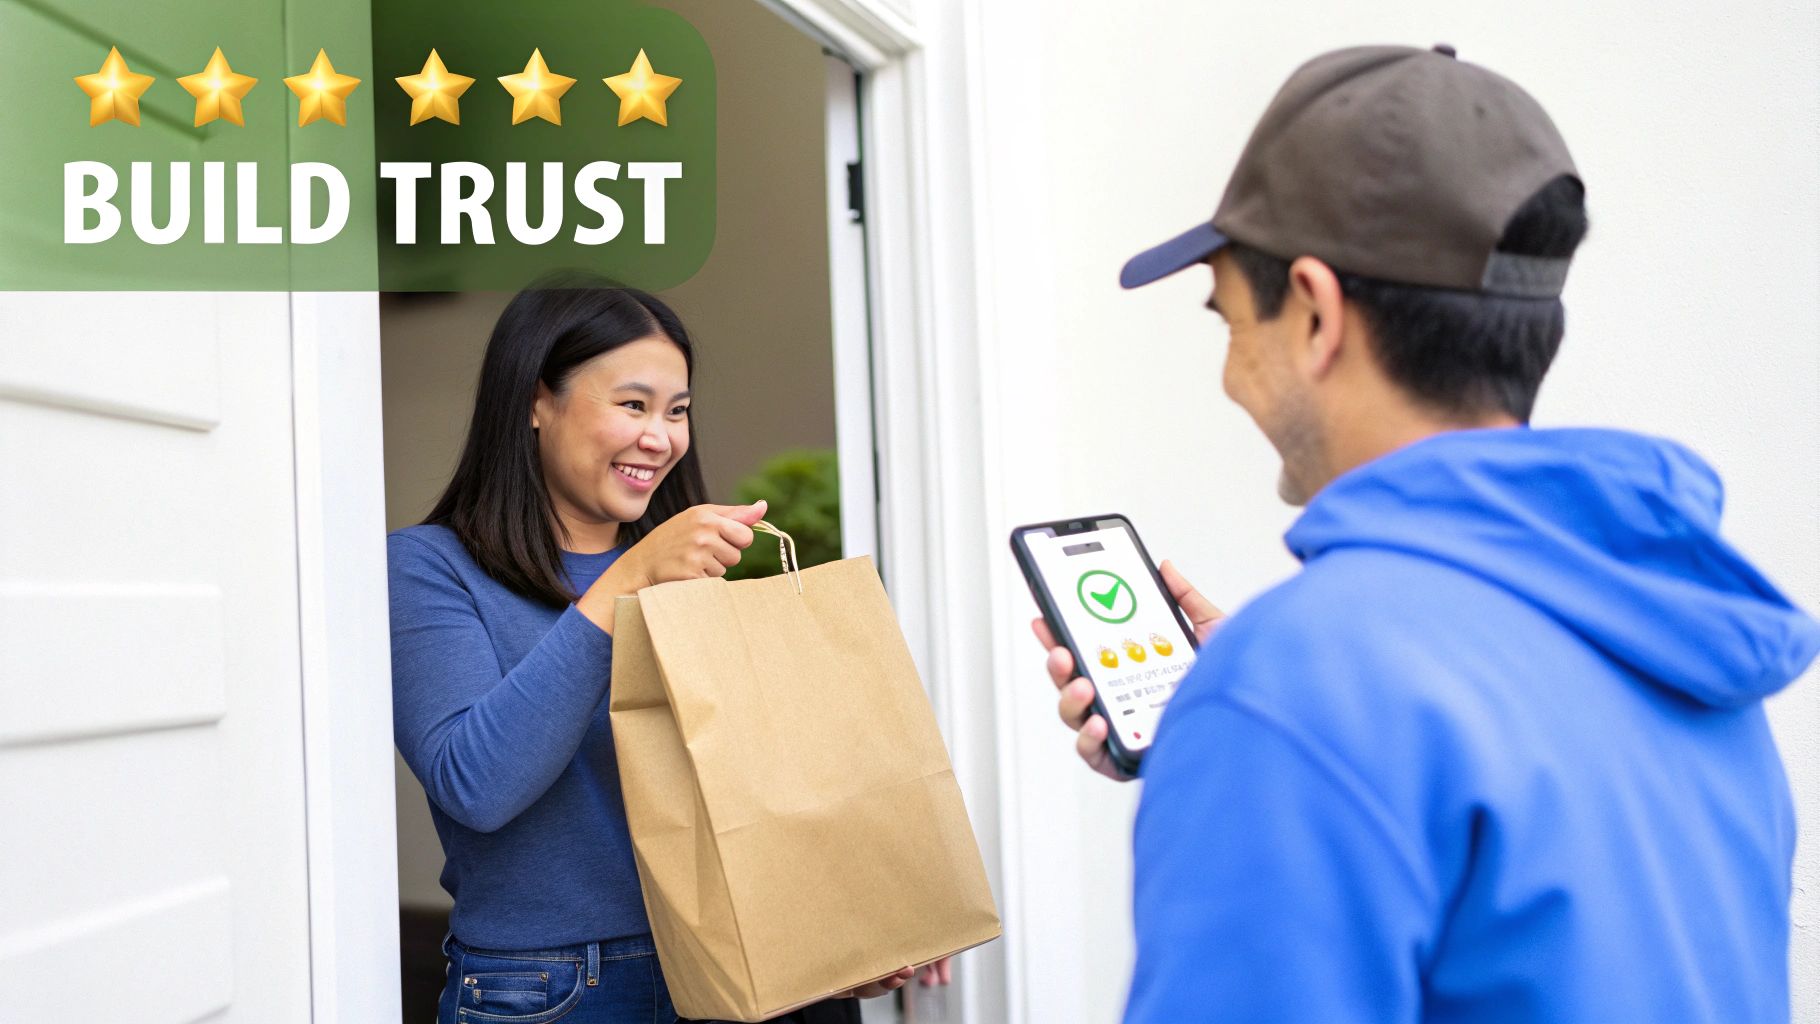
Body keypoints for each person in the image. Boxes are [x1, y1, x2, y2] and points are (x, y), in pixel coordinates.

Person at [1033, 45, 1820, 1022]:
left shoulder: (1295, 688)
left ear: (1315, 314)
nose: (1229, 374)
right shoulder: (1685, 644)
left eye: (1226, 319)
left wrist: (1258, 722)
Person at [388, 277, 926, 1023]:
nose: (662, 437)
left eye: (678, 412)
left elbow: (757, 792)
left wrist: (844, 925)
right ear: (535, 401)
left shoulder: (697, 570)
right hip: (549, 989)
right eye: (634, 405)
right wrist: (628, 580)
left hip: (728, 968)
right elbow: (477, 785)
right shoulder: (429, 567)